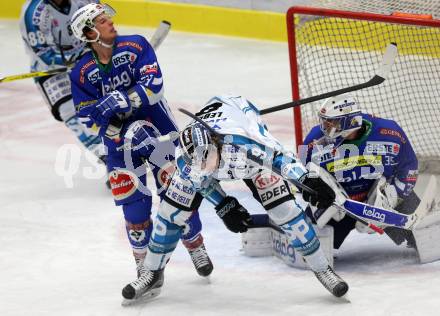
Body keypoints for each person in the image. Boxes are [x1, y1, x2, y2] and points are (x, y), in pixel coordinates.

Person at [121, 95, 349, 305]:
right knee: (170, 213)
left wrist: (307, 180)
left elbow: (280, 157)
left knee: (286, 212)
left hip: (249, 155)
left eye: (206, 158)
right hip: (221, 118)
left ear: (216, 144)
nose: (202, 166)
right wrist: (223, 204)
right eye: (196, 161)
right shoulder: (186, 158)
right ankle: (152, 272)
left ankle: (322, 269)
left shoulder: (245, 145)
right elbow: (200, 181)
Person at [68, 3, 215, 277]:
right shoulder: (80, 72)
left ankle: (195, 246)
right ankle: (145, 267)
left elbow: (154, 86)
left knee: (177, 195)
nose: (110, 23)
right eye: (102, 21)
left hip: (158, 133)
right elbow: (86, 114)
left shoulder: (135, 46)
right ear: (89, 34)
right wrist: (102, 112)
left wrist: (122, 98)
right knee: (134, 210)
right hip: (119, 146)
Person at [302, 94, 419, 249]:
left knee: (424, 236)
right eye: (325, 121)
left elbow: (409, 167)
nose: (326, 127)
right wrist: (316, 191)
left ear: (351, 121)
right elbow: (302, 172)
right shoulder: (314, 139)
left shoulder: (389, 132)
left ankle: (412, 231)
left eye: (333, 122)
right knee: (311, 248)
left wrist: (394, 197)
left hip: (381, 198)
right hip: (340, 205)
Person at [20, 0, 102, 157]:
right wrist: (79, 58)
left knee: (111, 99)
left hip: (87, 58)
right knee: (70, 111)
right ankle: (109, 160)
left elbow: (102, 23)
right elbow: (46, 55)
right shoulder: (33, 13)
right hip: (51, 71)